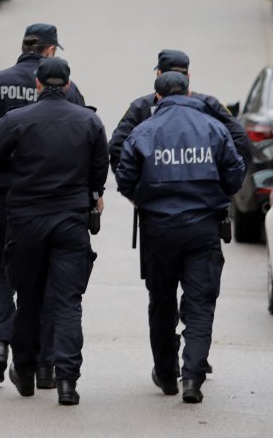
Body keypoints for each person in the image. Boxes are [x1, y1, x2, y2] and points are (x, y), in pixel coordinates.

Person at [0, 23, 85, 389]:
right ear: (48, 52)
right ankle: (43, 365)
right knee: (43, 281)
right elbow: (84, 136)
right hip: (52, 201)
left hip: (5, 197)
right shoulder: (68, 88)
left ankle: (0, 344)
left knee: (0, 270)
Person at [0, 57, 108, 406]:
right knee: (66, 302)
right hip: (69, 220)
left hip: (26, 221)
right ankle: (66, 380)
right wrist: (91, 194)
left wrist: (19, 165)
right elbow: (100, 170)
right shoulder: (89, 121)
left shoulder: (17, 120)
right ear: (67, 85)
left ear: (37, 84)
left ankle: (25, 370)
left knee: (29, 297)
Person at [115, 71, 245, 403]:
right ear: (189, 92)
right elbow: (234, 173)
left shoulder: (145, 131)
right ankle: (192, 378)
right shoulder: (212, 127)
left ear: (156, 98)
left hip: (158, 231)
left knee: (161, 302)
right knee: (201, 303)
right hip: (203, 229)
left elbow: (125, 177)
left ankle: (166, 373)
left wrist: (143, 198)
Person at [108, 49, 250, 175]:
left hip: (153, 199)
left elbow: (117, 146)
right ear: (188, 76)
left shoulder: (140, 107)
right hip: (204, 198)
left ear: (159, 74)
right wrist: (227, 186)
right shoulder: (210, 105)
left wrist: (133, 188)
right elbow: (240, 138)